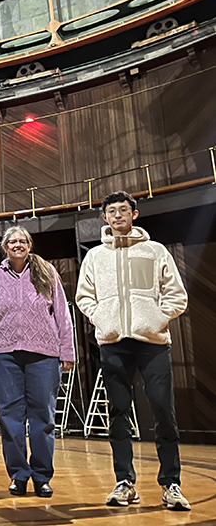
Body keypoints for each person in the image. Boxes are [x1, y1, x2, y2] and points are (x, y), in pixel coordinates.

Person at [76, 191, 190, 511]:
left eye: (123, 210)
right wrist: (102, 318)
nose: (117, 216)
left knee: (163, 414)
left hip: (152, 345)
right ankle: (124, 482)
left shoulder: (155, 251)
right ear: (105, 218)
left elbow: (176, 296)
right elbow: (84, 297)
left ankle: (171, 484)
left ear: (134, 214)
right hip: (113, 344)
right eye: (111, 211)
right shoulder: (96, 256)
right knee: (119, 415)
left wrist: (155, 318)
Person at [0, 226, 75, 498]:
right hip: (3, 354)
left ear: (29, 245)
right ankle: (18, 475)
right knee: (10, 418)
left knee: (43, 417)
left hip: (44, 354)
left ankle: (41, 476)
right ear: (5, 247)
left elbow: (62, 313)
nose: (17, 244)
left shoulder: (46, 272)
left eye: (22, 240)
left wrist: (67, 351)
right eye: (12, 241)